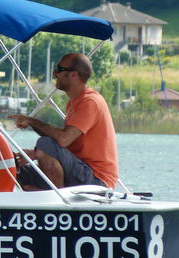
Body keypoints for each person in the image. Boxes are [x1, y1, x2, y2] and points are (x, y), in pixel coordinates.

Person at [9, 53, 118, 190]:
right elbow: (67, 145)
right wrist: (34, 154)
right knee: (16, 170)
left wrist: (31, 121)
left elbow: (63, 139)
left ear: (73, 75)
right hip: (78, 173)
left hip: (96, 180)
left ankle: (57, 201)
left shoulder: (90, 102)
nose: (55, 74)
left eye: (59, 70)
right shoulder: (74, 103)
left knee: (45, 143)